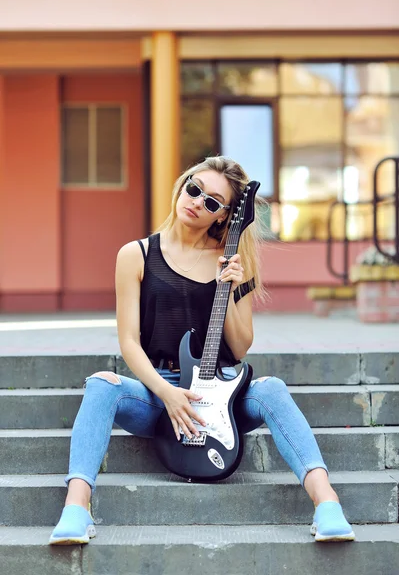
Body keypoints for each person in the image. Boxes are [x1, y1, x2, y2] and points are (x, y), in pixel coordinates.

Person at [49, 156, 355, 545]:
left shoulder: (231, 262)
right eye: (194, 189)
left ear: (224, 217)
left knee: (273, 388)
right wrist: (168, 393)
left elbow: (241, 347)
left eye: (212, 202)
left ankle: (326, 503)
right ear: (182, 185)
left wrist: (227, 288)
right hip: (159, 394)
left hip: (222, 398)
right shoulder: (136, 255)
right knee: (101, 385)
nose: (196, 201)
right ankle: (77, 507)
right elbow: (128, 339)